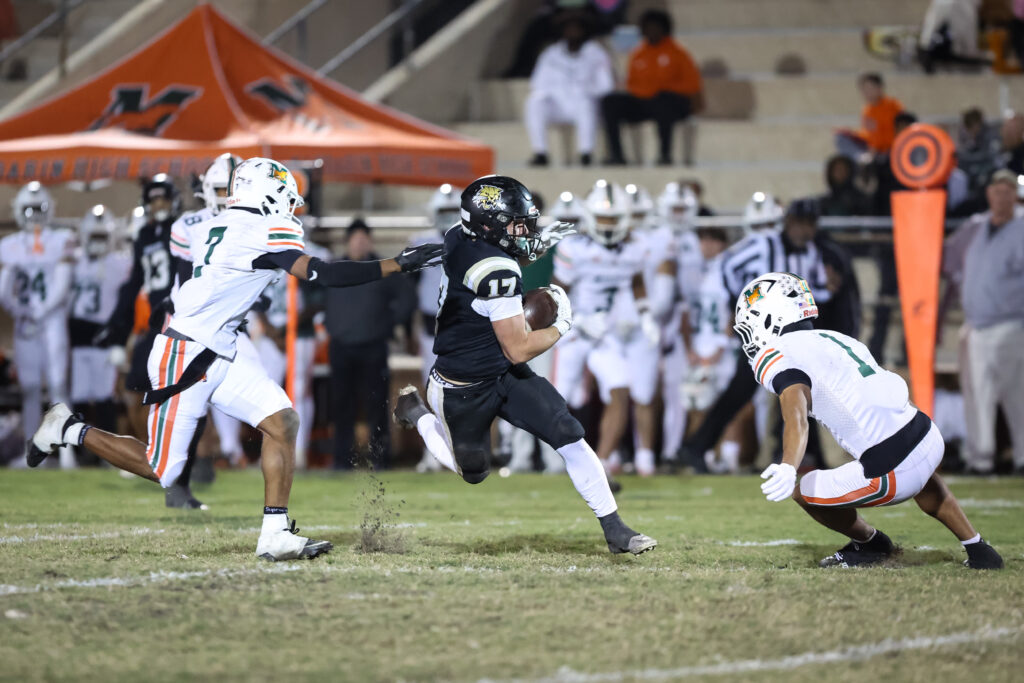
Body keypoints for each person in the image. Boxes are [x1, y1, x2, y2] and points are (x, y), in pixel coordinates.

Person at [27, 157, 443, 561]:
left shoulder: (220, 223)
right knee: (163, 469)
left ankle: (275, 534)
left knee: (282, 421)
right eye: (284, 192)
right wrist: (398, 264)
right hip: (186, 352)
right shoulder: (260, 228)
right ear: (265, 193)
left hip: (218, 347)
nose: (289, 202)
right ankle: (67, 428)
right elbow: (324, 275)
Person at [393, 175, 656, 555]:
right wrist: (564, 324)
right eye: (517, 224)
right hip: (461, 385)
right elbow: (519, 348)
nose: (525, 231)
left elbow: (507, 253)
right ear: (490, 226)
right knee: (473, 471)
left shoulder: (460, 234)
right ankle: (416, 411)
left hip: (503, 373)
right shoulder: (495, 272)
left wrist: (537, 240)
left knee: (568, 431)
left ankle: (616, 530)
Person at [739, 271, 1002, 570]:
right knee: (920, 472)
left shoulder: (777, 353)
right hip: (927, 434)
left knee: (805, 491)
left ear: (768, 317)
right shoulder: (834, 337)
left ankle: (870, 544)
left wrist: (789, 465)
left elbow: (796, 415)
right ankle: (978, 548)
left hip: (891, 468)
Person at [680, 197, 833, 471]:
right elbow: (728, 266)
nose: (804, 230)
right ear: (788, 223)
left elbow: (817, 290)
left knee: (794, 391)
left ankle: (790, 454)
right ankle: (696, 447)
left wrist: (827, 290)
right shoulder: (765, 244)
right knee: (745, 392)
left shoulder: (810, 251)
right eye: (800, 224)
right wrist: (742, 308)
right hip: (763, 333)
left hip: (794, 334)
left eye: (809, 224)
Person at [552, 180, 652, 483]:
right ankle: (551, 460)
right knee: (559, 397)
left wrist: (646, 314)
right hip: (572, 329)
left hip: (605, 333)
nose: (608, 225)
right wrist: (577, 320)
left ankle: (603, 462)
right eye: (603, 218)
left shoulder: (636, 247)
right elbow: (554, 293)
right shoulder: (573, 247)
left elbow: (636, 282)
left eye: (612, 218)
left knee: (621, 389)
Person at [945, 169, 1024, 475]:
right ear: (989, 194)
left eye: (1006, 190)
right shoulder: (976, 226)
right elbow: (948, 256)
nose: (1000, 196)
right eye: (995, 190)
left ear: (1013, 195)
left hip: (1012, 324)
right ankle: (980, 459)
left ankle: (1020, 458)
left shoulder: (1021, 226)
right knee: (978, 394)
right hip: (976, 325)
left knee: (1017, 396)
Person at [327, 219, 416, 470]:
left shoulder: (384, 268)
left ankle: (380, 459)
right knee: (341, 406)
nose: (360, 243)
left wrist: (390, 323)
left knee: (376, 405)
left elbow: (408, 297)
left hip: (373, 346)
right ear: (347, 242)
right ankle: (341, 460)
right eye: (356, 239)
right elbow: (318, 297)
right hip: (341, 347)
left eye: (364, 239)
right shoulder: (335, 268)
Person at [0, 182, 75, 468]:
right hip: (25, 322)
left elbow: (63, 282)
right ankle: (33, 452)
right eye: (28, 209)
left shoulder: (61, 238)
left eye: (38, 208)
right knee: (30, 388)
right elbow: (5, 287)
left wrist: (39, 311)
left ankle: (67, 452)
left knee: (58, 386)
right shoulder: (8, 245)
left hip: (51, 320)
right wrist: (17, 308)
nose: (33, 215)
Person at [600, 9, 703, 166]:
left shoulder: (678, 53)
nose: (651, 31)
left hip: (672, 103)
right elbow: (632, 83)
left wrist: (661, 88)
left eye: (655, 27)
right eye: (647, 27)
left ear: (664, 29)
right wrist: (645, 92)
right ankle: (617, 155)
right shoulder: (639, 54)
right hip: (645, 101)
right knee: (610, 102)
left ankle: (665, 155)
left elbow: (692, 84)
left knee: (663, 101)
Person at [70, 206, 132, 461]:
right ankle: (78, 453)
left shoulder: (119, 263)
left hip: (104, 336)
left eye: (101, 237)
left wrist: (119, 338)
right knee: (80, 397)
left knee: (105, 396)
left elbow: (128, 300)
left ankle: (109, 454)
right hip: (79, 337)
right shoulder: (74, 259)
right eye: (93, 237)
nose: (97, 243)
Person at [409, 185, 461, 473]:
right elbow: (411, 290)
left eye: (453, 211)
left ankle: (457, 453)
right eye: (444, 211)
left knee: (458, 395)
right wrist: (410, 330)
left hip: (462, 329)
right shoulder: (422, 242)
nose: (449, 217)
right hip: (430, 329)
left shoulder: (473, 243)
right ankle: (434, 453)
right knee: (432, 394)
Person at [525, 10, 614, 167]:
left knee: (585, 104)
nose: (572, 32)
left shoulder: (596, 53)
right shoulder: (551, 54)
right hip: (557, 104)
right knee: (534, 102)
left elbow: (606, 85)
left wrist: (588, 91)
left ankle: (586, 153)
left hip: (584, 103)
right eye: (568, 28)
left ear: (584, 30)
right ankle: (540, 153)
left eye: (576, 28)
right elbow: (537, 83)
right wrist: (548, 94)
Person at [835, 73, 903, 160]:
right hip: (872, 149)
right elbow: (868, 133)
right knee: (841, 137)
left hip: (891, 148)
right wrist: (851, 132)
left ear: (880, 88)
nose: (867, 93)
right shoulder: (867, 110)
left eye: (870, 89)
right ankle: (862, 159)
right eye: (864, 90)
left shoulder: (894, 105)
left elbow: (900, 130)